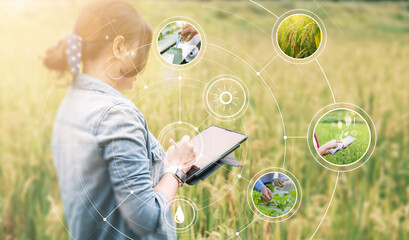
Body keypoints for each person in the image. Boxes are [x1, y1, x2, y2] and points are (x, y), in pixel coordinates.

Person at [44, 1, 195, 239]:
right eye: (142, 49)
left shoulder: (72, 102)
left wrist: (161, 167)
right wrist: (176, 170)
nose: (144, 63)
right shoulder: (117, 115)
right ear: (119, 47)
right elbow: (147, 219)